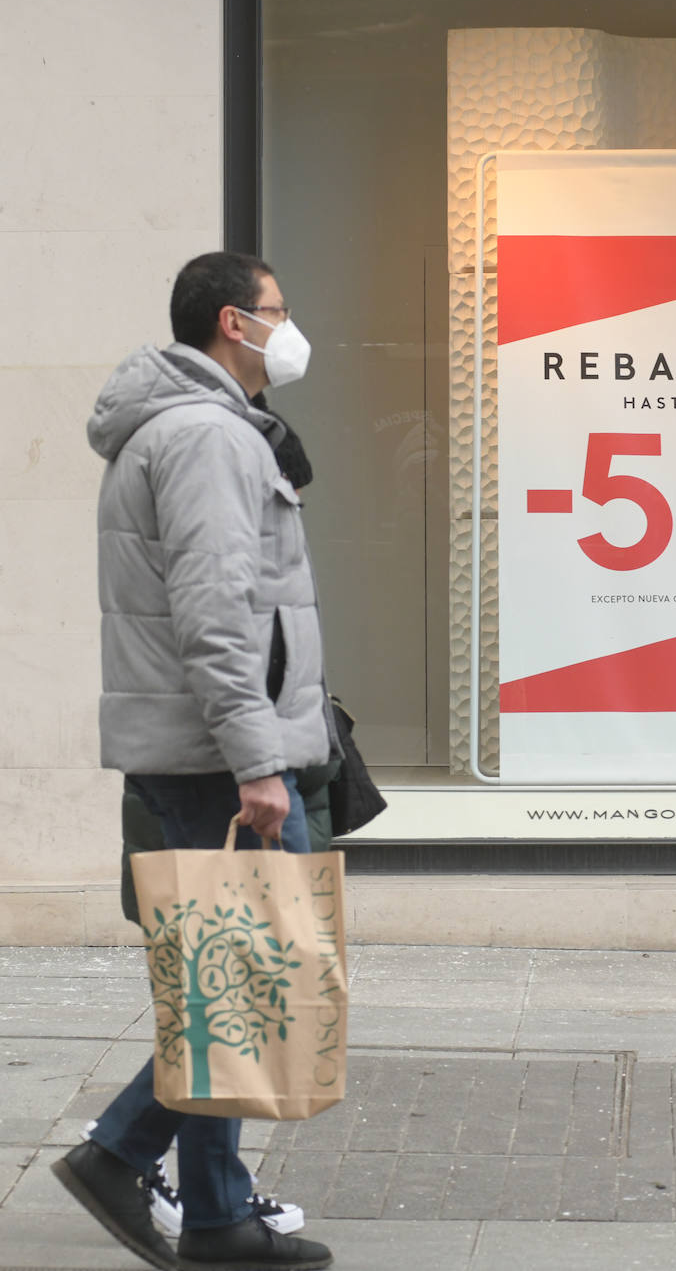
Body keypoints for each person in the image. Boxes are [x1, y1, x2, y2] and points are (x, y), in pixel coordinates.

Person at [53, 252, 339, 1271]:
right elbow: (217, 620)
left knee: (234, 977)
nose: (290, 327)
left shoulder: (189, 428)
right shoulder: (208, 437)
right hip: (221, 761)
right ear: (234, 321)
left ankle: (217, 1215)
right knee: (249, 979)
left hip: (204, 751)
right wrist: (259, 764)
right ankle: (121, 1153)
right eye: (279, 309)